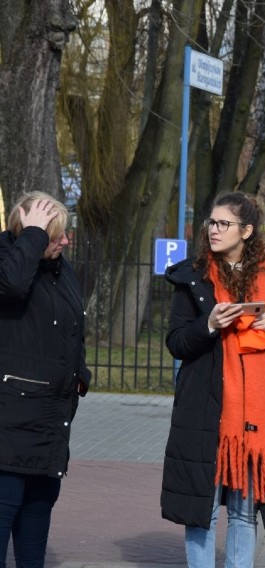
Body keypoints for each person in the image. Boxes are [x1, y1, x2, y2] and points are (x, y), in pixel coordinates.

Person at [160, 191, 265, 567]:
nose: (214, 230)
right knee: (202, 512)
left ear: (247, 230)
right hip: (206, 411)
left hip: (256, 417)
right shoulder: (193, 277)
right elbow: (176, 342)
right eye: (211, 222)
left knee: (243, 512)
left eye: (224, 223)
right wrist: (208, 324)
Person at [0, 192, 91, 568]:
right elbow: (11, 287)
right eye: (55, 236)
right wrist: (33, 235)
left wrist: (80, 373)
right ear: (31, 234)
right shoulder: (10, 262)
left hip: (49, 429)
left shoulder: (59, 268)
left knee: (33, 546)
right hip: (9, 431)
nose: (65, 242)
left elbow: (74, 324)